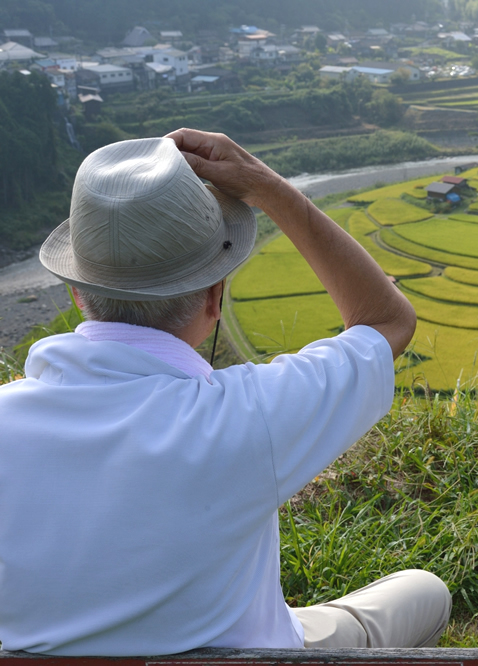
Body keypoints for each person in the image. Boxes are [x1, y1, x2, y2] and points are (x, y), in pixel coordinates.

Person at [0, 131, 451, 655]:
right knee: (427, 591)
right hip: (256, 653)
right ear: (215, 296)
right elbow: (386, 320)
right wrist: (269, 188)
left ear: (77, 292)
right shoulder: (249, 413)